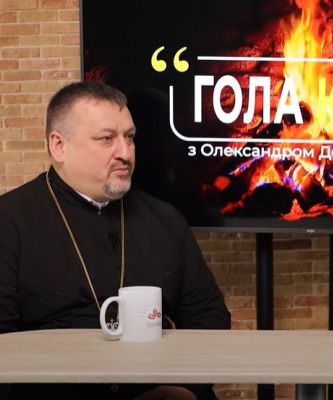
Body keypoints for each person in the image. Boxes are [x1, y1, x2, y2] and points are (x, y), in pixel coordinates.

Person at [0, 81, 231, 400]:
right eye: (107, 138)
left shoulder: (165, 219)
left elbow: (209, 318)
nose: (125, 153)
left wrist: (185, 388)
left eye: (130, 137)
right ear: (59, 146)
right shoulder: (10, 220)